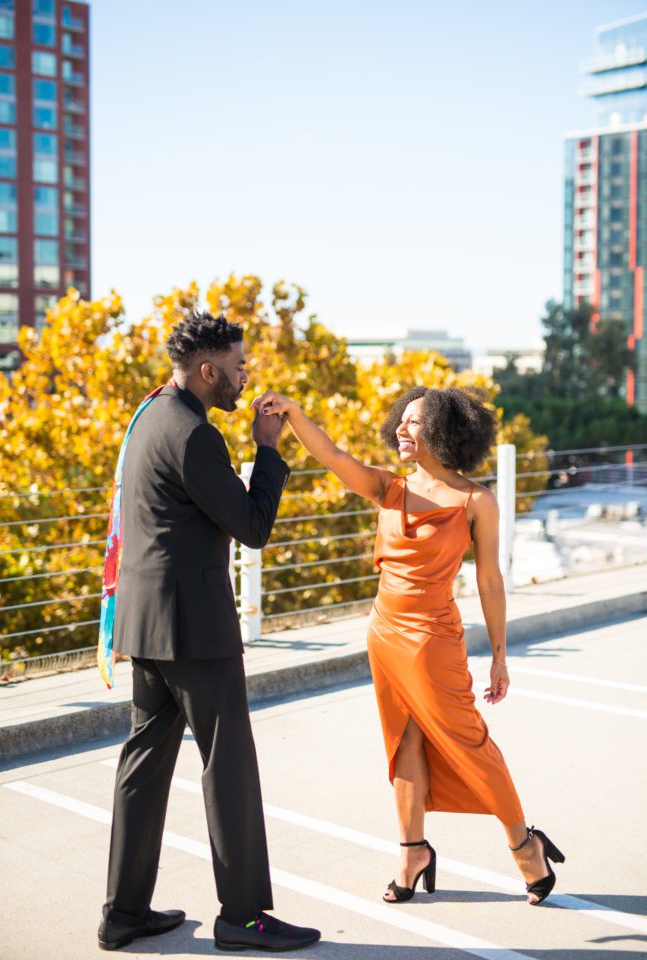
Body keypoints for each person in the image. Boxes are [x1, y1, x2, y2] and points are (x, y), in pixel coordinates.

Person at [254, 384, 565, 906]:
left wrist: (500, 657)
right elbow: (331, 455)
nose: (401, 428)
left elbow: (489, 581)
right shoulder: (389, 488)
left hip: (434, 639)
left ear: (445, 432)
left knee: (469, 743)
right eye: (402, 420)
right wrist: (295, 414)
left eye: (414, 422)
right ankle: (411, 852)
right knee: (404, 744)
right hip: (384, 633)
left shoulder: (475, 501)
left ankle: (524, 843)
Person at [98, 313, 320, 953]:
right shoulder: (197, 436)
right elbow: (252, 526)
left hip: (146, 624)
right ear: (207, 370)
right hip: (194, 628)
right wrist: (268, 449)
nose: (245, 373)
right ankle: (243, 918)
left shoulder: (148, 417)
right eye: (238, 364)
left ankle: (124, 914)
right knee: (229, 767)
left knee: (143, 766)